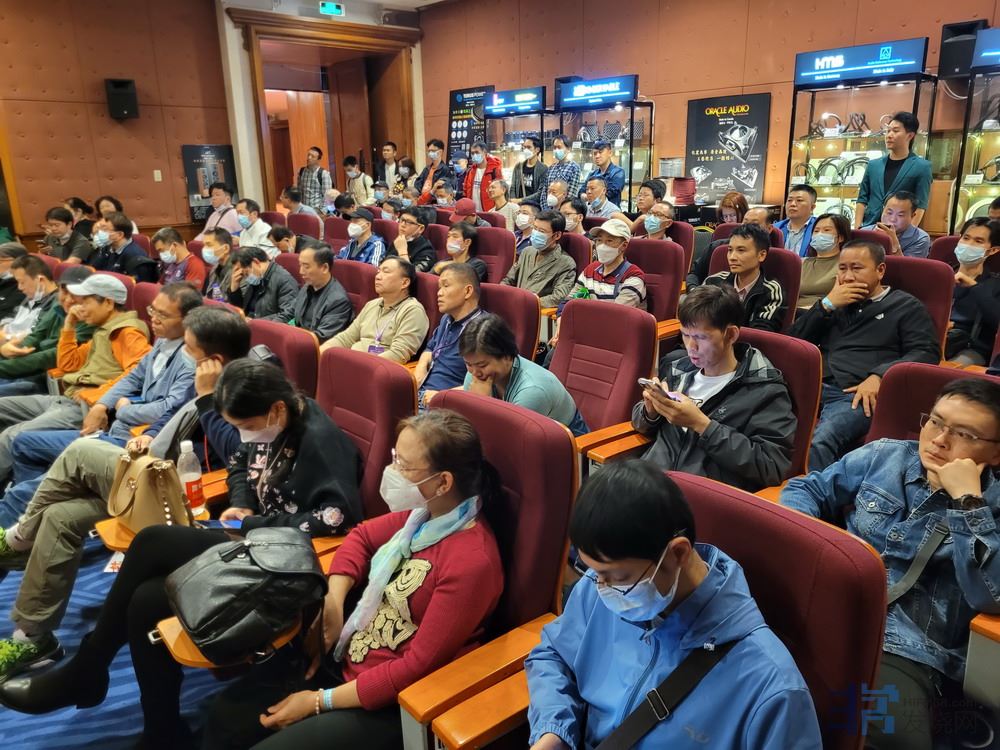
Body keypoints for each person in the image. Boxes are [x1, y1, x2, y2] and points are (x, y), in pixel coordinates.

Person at [0, 360, 364, 748]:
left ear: (275, 409)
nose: (243, 434)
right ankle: (161, 731)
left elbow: (337, 516)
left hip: (287, 559)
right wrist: (241, 502)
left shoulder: (319, 440)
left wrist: (253, 524)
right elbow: (240, 461)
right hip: (256, 540)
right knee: (145, 600)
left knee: (153, 542)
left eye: (245, 425)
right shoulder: (271, 419)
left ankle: (86, 671)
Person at [193, 408, 501, 749]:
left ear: (443, 482)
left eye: (404, 466)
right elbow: (361, 537)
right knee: (223, 719)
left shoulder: (471, 563)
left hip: (386, 702)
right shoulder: (423, 517)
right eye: (395, 458)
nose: (393, 472)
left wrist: (317, 702)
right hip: (347, 654)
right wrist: (334, 599)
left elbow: (416, 666)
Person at [0, 306, 247, 676]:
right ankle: (32, 637)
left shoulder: (244, 385)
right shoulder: (203, 378)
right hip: (151, 476)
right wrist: (151, 435)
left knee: (82, 451)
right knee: (59, 516)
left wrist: (208, 399)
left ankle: (18, 538)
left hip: (185, 493)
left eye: (190, 349)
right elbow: (174, 416)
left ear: (215, 359)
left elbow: (238, 455)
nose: (183, 353)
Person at [527, 461, 821, 750]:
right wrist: (553, 730)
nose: (600, 587)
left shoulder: (771, 688)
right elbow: (553, 654)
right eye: (595, 572)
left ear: (678, 553)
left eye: (617, 577)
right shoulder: (602, 585)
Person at [780, 378, 1000, 750]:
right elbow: (808, 488)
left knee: (882, 734)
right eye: (935, 421)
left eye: (964, 434)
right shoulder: (886, 456)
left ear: (995, 453)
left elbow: (989, 596)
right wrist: (812, 547)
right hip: (825, 610)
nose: (939, 439)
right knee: (745, 685)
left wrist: (967, 502)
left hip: (907, 649)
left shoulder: (991, 507)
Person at [0, 283, 200, 497]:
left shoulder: (182, 355)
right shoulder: (160, 341)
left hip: (129, 439)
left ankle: (22, 503)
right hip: (87, 406)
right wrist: (103, 403)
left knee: (18, 441)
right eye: (152, 310)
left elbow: (171, 408)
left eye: (163, 315)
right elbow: (130, 375)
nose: (154, 318)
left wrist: (121, 408)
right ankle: (25, 503)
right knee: (22, 443)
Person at [790, 240, 940, 471]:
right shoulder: (835, 303)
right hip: (814, 384)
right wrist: (826, 305)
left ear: (880, 270)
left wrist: (880, 376)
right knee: (757, 415)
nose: (848, 277)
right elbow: (794, 343)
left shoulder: (905, 305)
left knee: (821, 440)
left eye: (857, 268)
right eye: (842, 268)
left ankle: (810, 492)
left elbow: (926, 352)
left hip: (856, 392)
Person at [631, 284, 795, 492]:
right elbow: (640, 425)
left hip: (700, 496)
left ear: (731, 335)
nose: (691, 347)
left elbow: (771, 466)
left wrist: (702, 425)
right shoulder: (679, 369)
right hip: (651, 483)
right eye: (685, 335)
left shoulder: (764, 390)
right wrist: (650, 412)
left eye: (701, 337)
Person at [0, 274, 149, 485]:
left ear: (108, 303)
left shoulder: (127, 332)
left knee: (11, 435)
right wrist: (69, 325)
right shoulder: (103, 331)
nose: (78, 307)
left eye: (85, 302)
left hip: (83, 408)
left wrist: (98, 397)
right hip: (66, 399)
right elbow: (68, 364)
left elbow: (140, 371)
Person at [461, 313, 588, 436]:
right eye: (468, 364)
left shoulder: (532, 391)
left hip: (570, 441)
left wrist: (482, 404)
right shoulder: (477, 374)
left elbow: (505, 441)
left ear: (507, 356)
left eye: (482, 365)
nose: (474, 373)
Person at [548, 218, 646, 355]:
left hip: (617, 341)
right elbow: (569, 302)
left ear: (623, 246)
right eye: (599, 240)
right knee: (554, 354)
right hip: (586, 333)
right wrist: (561, 325)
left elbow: (615, 318)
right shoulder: (591, 269)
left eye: (609, 241)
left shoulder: (633, 276)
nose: (602, 246)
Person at [323, 257, 428, 363]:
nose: (377, 277)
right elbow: (345, 338)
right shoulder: (371, 305)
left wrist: (359, 366)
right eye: (378, 272)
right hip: (352, 361)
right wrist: (321, 352)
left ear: (404, 283)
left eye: (386, 272)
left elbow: (398, 354)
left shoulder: (413, 311)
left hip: (376, 368)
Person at [0, 257, 79, 397]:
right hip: (21, 365)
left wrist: (7, 352)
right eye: (63, 291)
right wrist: (14, 348)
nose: (67, 299)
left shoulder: (84, 318)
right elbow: (37, 335)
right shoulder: (56, 306)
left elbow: (51, 355)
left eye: (22, 282)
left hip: (39, 376)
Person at [414, 263, 484, 409]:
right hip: (421, 395)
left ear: (467, 291)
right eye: (439, 287)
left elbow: (488, 385)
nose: (439, 293)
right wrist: (421, 366)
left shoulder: (484, 329)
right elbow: (430, 348)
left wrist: (444, 396)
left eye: (446, 286)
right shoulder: (447, 318)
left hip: (447, 406)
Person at [702, 223, 786, 332]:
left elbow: (761, 334)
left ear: (761, 255)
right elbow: (693, 319)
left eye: (741, 250)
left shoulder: (772, 291)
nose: (732, 257)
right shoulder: (713, 281)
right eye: (730, 250)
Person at [854, 111, 932, 228]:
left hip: (899, 229)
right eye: (888, 131)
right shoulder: (873, 165)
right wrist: (857, 228)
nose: (889, 135)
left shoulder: (922, 167)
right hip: (870, 226)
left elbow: (921, 205)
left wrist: (908, 233)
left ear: (910, 135)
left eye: (895, 131)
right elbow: (862, 199)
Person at [946, 217, 1000, 366]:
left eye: (978, 241)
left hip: (970, 347)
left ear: (993, 250)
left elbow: (997, 320)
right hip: (930, 336)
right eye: (966, 238)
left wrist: (974, 286)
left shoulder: (995, 284)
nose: (968, 244)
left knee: (947, 370)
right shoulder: (941, 273)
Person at [279, 243, 353, 343]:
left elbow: (321, 337)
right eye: (300, 265)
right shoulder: (307, 287)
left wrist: (288, 336)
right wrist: (270, 327)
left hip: (312, 347)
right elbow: (288, 313)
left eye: (306, 266)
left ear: (324, 268)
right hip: (297, 339)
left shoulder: (338, 301)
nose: (301, 271)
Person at [501, 210, 576, 308]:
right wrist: (502, 294)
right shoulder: (527, 251)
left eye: (541, 231)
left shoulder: (566, 263)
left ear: (557, 235)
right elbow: (509, 280)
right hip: (513, 306)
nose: (535, 233)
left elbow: (558, 298)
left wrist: (528, 303)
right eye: (535, 228)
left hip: (537, 311)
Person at [227, 246, 299, 321]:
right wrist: (234, 289)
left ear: (256, 262)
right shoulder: (257, 277)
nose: (246, 278)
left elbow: (287, 315)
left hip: (265, 326)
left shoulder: (284, 280)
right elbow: (241, 309)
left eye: (246, 274)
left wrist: (256, 323)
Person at [797, 213, 850, 309]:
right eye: (816, 231)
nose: (819, 234)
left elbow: (846, 298)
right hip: (794, 312)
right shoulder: (801, 263)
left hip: (825, 313)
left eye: (827, 230)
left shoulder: (846, 265)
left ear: (840, 237)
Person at [90, 213, 159, 282]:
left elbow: (137, 286)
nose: (99, 233)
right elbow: (92, 271)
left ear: (120, 235)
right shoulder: (106, 249)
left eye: (104, 230)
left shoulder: (135, 257)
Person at [862, 190, 930, 258]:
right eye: (889, 213)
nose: (892, 219)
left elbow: (907, 265)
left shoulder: (920, 238)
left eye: (900, 215)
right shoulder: (865, 232)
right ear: (883, 210)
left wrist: (893, 241)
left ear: (912, 216)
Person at [522, 134, 580, 208]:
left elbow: (571, 195)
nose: (556, 150)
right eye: (554, 147)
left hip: (563, 209)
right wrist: (545, 209)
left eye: (559, 147)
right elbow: (544, 192)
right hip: (548, 210)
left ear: (568, 149)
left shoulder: (574, 168)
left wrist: (561, 210)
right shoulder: (551, 168)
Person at [390, 205, 437, 273]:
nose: (402, 225)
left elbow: (412, 275)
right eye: (402, 220)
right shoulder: (399, 240)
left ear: (421, 228)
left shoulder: (427, 251)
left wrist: (402, 252)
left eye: (408, 222)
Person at [774, 184, 817, 257]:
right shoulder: (775, 228)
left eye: (799, 200)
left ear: (812, 207)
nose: (792, 204)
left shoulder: (819, 228)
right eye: (789, 200)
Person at [582, 140, 626, 207]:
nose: (597, 156)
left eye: (600, 152)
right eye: (595, 153)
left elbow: (611, 193)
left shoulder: (618, 172)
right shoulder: (592, 174)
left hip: (610, 211)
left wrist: (589, 196)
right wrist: (588, 196)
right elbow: (581, 191)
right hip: (592, 210)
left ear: (610, 153)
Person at [463, 141, 503, 212]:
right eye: (472, 153)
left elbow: (500, 193)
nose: (474, 155)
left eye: (477, 152)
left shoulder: (494, 170)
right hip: (473, 212)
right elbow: (465, 191)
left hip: (489, 212)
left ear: (484, 152)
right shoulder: (470, 171)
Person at [415, 138, 454, 205]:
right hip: (423, 201)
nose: (430, 153)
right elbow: (418, 183)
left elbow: (442, 189)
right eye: (429, 151)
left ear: (440, 152)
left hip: (435, 202)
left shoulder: (445, 169)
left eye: (433, 151)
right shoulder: (427, 168)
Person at [201, 227, 235, 302]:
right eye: (204, 245)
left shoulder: (237, 271)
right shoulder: (214, 268)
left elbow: (233, 304)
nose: (204, 249)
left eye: (209, 245)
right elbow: (209, 296)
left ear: (225, 248)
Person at [297, 146, 333, 214]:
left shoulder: (324, 174)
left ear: (318, 160)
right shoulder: (301, 172)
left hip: (317, 211)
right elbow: (299, 191)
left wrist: (321, 211)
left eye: (312, 156)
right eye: (308, 155)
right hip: (303, 210)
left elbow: (327, 196)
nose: (309, 158)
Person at [511, 135, 548, 200]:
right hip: (517, 203)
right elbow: (513, 187)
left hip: (533, 204)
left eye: (529, 147)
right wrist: (513, 200)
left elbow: (541, 193)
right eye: (524, 147)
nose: (526, 150)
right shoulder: (518, 167)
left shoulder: (543, 169)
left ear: (537, 150)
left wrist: (521, 200)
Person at [0, 243, 27, 319]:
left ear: (16, 261)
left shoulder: (23, 285)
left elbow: (7, 313)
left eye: (0, 261)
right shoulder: (3, 279)